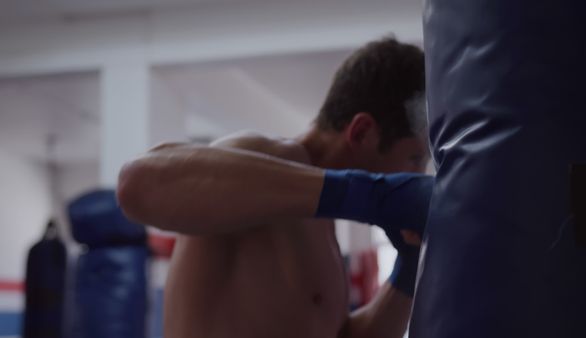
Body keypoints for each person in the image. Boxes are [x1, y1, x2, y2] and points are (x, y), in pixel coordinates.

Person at [117, 37, 433, 338]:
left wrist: (408, 271)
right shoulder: (260, 154)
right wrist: (366, 194)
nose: (415, 175)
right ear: (362, 132)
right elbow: (138, 183)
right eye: (415, 157)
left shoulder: (321, 220)